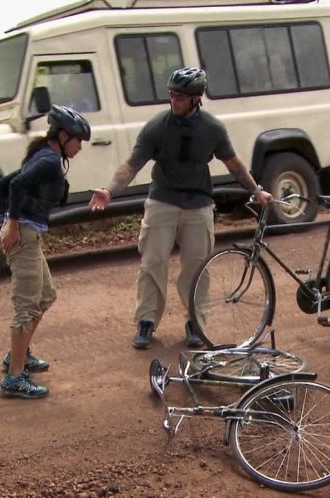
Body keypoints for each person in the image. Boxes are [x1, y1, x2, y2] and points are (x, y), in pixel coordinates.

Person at [88, 67, 272, 350]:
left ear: (196, 99)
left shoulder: (212, 128)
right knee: (152, 262)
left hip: (198, 203)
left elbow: (233, 164)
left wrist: (255, 190)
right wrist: (109, 190)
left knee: (198, 266)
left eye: (181, 97)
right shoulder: (157, 127)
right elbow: (132, 164)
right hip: (162, 200)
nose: (174, 101)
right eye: (172, 95)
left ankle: (195, 323)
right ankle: (146, 321)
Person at [0, 105, 90, 398]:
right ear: (63, 136)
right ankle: (14, 378)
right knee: (28, 306)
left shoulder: (43, 155)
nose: (80, 147)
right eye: (78, 140)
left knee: (46, 296)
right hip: (24, 236)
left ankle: (18, 355)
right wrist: (11, 225)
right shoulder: (48, 160)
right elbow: (15, 185)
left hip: (27, 233)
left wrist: (3, 220)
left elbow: (1, 185)